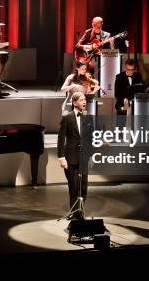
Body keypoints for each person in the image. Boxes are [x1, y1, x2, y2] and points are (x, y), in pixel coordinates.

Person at [57, 92, 89, 220]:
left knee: (84, 187)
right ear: (75, 102)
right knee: (74, 186)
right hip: (70, 157)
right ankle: (74, 212)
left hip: (83, 158)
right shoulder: (67, 117)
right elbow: (61, 138)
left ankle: (80, 212)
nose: (84, 102)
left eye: (85, 99)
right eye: (81, 100)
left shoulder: (87, 117)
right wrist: (61, 157)